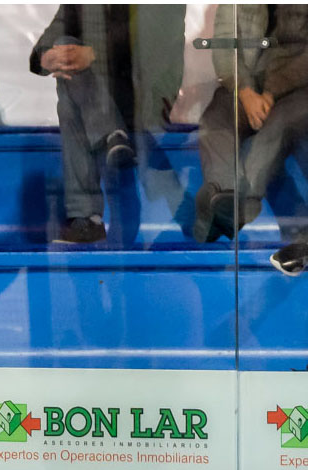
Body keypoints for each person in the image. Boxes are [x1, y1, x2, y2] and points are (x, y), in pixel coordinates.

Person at [30, 5, 187, 244]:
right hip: (98, 100)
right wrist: (49, 56)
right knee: (65, 49)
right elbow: (50, 38)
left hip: (143, 98)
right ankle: (112, 135)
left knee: (71, 105)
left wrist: (90, 54)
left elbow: (149, 47)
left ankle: (87, 218)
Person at [193, 4, 307, 276]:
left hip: (295, 88)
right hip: (243, 88)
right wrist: (245, 91)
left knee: (273, 132)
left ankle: (239, 211)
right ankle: (224, 198)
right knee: (214, 121)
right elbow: (224, 47)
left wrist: (269, 93)